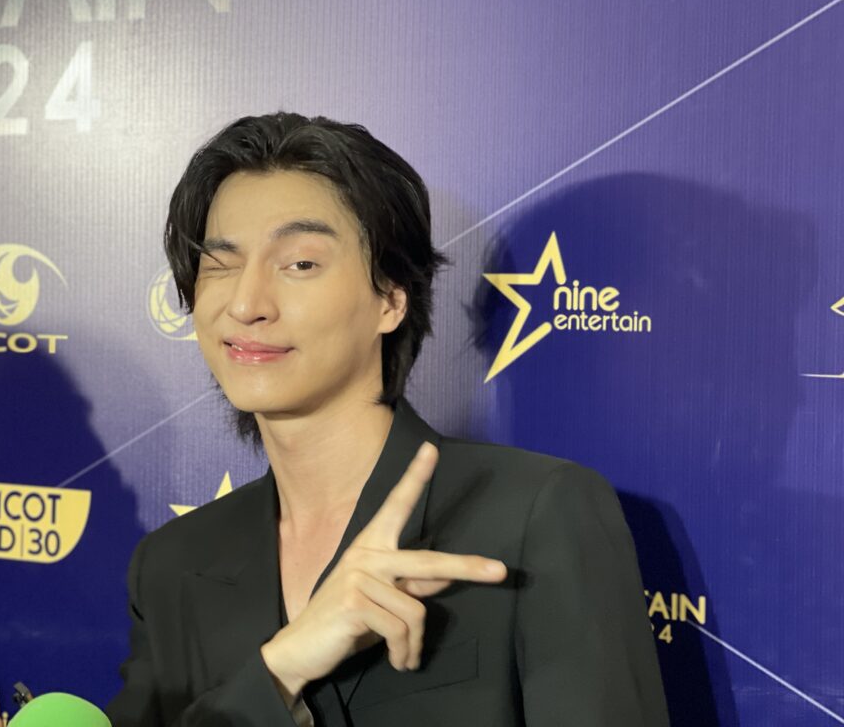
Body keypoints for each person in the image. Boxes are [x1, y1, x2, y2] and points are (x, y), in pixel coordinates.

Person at [105, 113, 669, 726]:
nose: (246, 303)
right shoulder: (170, 566)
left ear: (391, 298)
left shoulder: (534, 514)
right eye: (220, 263)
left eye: (300, 264)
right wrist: (280, 670)